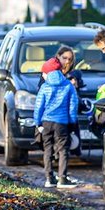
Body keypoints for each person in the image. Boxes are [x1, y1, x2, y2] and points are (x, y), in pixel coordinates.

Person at [34, 57, 79, 189]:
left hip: (46, 122)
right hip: (62, 122)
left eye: (44, 73)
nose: (42, 75)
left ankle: (49, 178)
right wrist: (72, 122)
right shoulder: (68, 86)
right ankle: (63, 178)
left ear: (48, 73)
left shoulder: (44, 87)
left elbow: (39, 106)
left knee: (47, 149)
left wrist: (38, 122)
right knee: (63, 150)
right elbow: (73, 105)